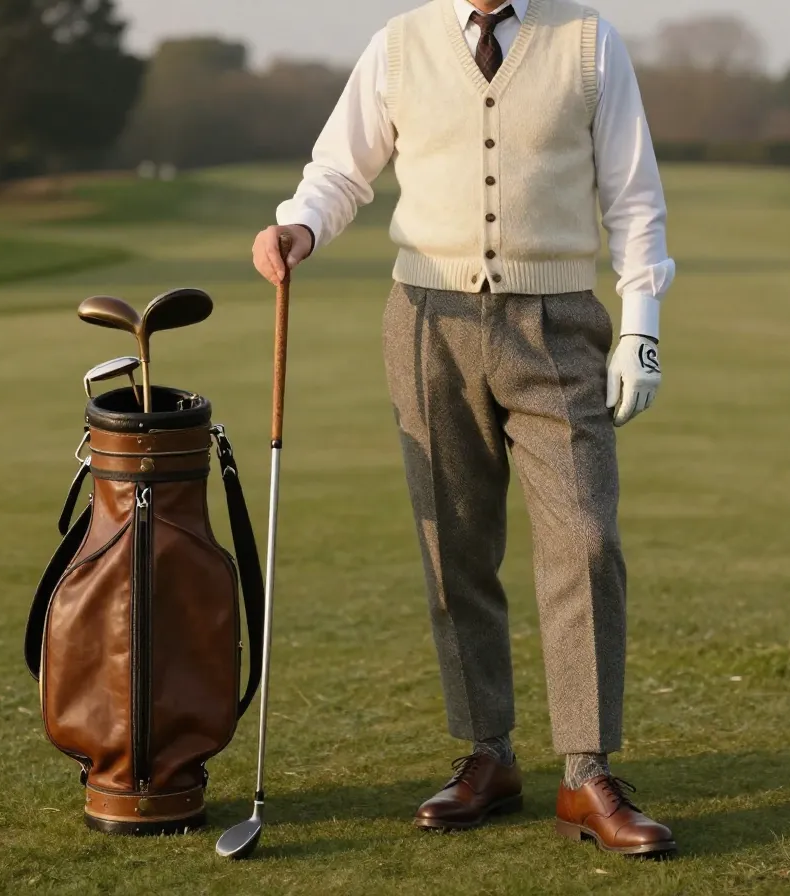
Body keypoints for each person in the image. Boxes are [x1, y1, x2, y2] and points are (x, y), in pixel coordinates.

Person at [254, 0, 676, 857]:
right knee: (454, 543)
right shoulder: (399, 46)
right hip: (425, 324)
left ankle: (586, 774)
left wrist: (641, 324)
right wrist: (300, 222)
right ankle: (488, 754)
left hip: (558, 322)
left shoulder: (590, 44)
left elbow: (634, 197)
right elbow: (341, 167)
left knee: (587, 539)